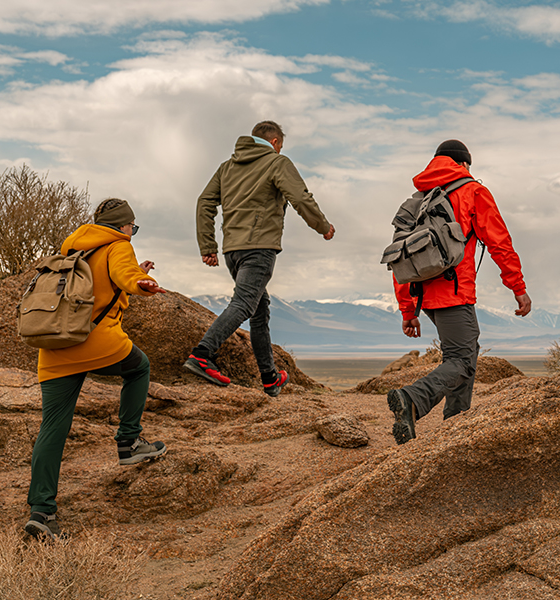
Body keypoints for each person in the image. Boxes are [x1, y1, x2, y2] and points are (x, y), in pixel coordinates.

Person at [26, 198, 168, 540]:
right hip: (93, 342)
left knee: (53, 427)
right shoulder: (119, 246)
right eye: (132, 227)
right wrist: (140, 283)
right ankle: (129, 442)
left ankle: (41, 512)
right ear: (123, 226)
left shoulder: (72, 249)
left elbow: (107, 280)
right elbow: (123, 271)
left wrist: (136, 277)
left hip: (54, 347)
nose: (131, 233)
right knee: (139, 368)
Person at [388, 140, 531, 444]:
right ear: (463, 164)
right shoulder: (472, 191)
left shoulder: (417, 200)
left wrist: (408, 309)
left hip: (424, 296)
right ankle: (412, 399)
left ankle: (456, 422)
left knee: (466, 352)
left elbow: (399, 257)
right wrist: (517, 287)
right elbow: (499, 243)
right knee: (462, 360)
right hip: (453, 291)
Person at [184, 120, 334, 394]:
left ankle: (269, 377)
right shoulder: (277, 162)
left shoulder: (227, 167)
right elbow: (300, 198)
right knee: (243, 304)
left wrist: (208, 244)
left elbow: (204, 201)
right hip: (260, 248)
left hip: (232, 250)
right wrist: (323, 227)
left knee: (259, 308)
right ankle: (202, 354)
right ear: (275, 142)